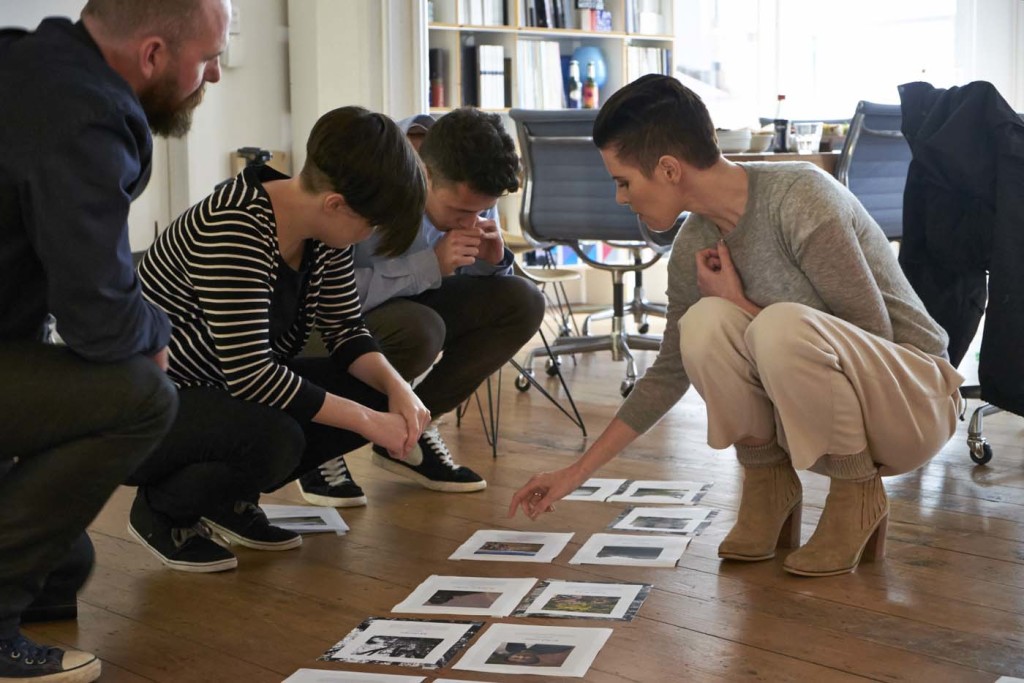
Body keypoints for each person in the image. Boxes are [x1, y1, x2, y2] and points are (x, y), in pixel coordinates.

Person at [509, 75, 964, 578]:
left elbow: (871, 335)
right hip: (823, 417)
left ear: (668, 169)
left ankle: (857, 494)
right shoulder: (694, 244)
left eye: (623, 181)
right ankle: (768, 484)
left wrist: (743, 305)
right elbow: (667, 372)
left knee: (776, 325)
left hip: (913, 399)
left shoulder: (800, 198)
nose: (620, 198)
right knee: (704, 323)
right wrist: (576, 473)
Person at [0, 0, 229, 679]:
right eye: (208, 59)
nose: (214, 75)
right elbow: (98, 316)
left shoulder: (26, 58)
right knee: (140, 394)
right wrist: (153, 336)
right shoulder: (89, 112)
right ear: (153, 54)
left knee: (65, 565)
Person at [129, 106, 429, 573]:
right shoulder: (235, 225)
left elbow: (347, 329)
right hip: (149, 406)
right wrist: (367, 422)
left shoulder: (324, 233)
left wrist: (397, 389)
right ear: (335, 204)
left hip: (219, 392)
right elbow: (251, 375)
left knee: (372, 389)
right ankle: (165, 510)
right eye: (368, 224)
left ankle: (224, 501)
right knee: (275, 437)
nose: (366, 236)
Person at [297, 108, 545, 507]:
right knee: (420, 326)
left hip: (407, 309)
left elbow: (475, 267)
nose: (471, 220)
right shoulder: (367, 170)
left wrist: (492, 261)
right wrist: (429, 266)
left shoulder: (471, 170)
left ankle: (413, 429)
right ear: (424, 174)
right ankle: (321, 437)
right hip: (329, 322)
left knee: (523, 300)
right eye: (462, 212)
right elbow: (327, 294)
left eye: (481, 211)